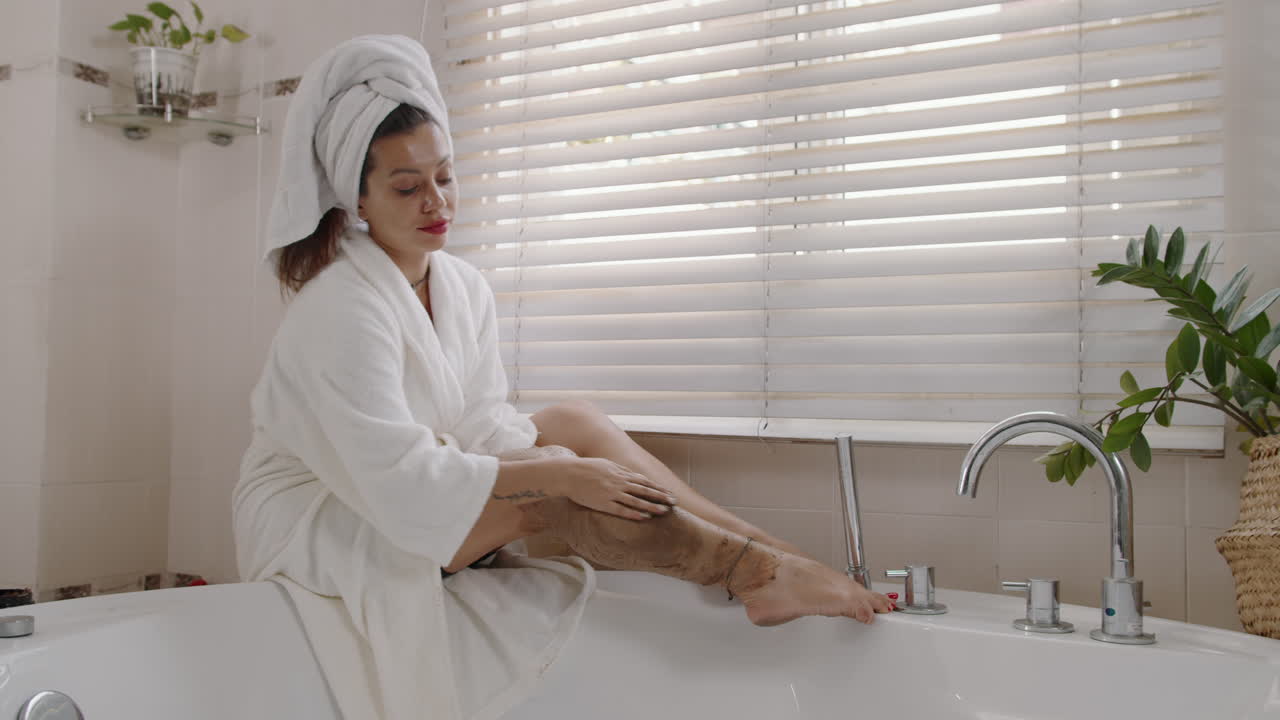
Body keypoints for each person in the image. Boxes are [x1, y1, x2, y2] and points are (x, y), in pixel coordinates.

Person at [233, 34, 891, 720]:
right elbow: (398, 480)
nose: (436, 202)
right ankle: (753, 573)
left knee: (573, 423)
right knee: (552, 492)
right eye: (406, 186)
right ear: (359, 201)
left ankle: (783, 556)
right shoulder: (338, 308)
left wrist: (561, 461)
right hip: (334, 520)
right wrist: (560, 476)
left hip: (418, 489)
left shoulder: (459, 285)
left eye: (445, 177)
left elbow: (481, 423)